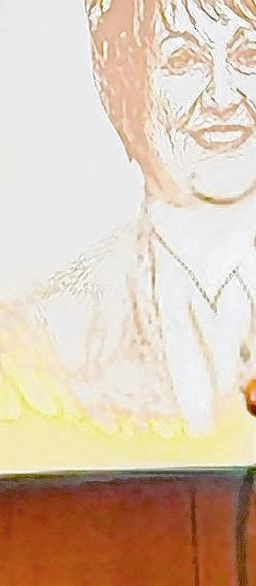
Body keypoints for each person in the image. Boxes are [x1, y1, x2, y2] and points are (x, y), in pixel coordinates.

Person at [30, 0, 256, 432]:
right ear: (126, 84)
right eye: (184, 60)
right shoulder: (59, 324)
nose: (223, 97)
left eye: (248, 55)